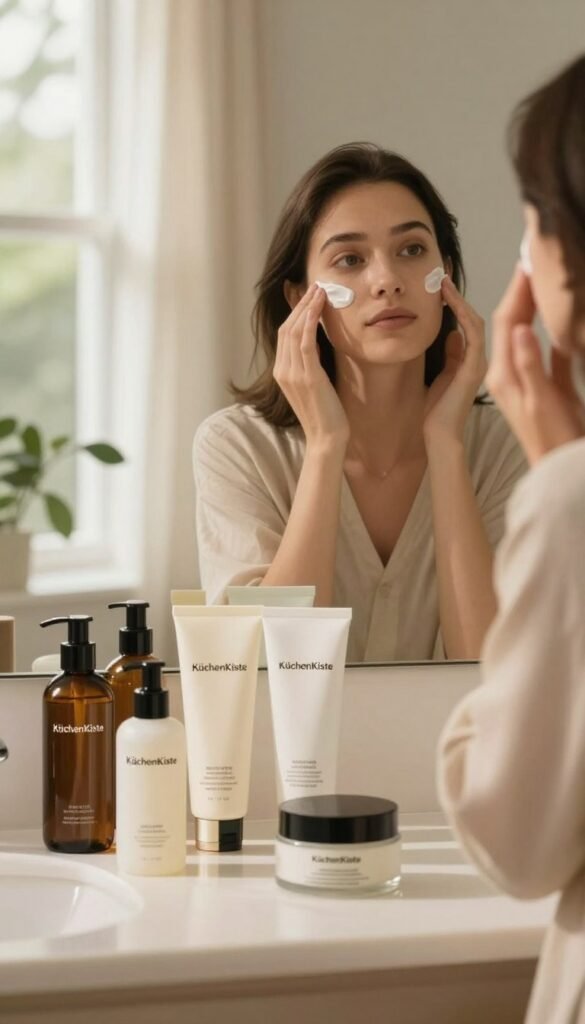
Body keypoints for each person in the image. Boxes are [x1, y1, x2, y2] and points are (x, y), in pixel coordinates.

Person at [194, 143, 526, 661]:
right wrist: (325, 448)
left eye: (413, 250)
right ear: (298, 298)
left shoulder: (503, 445)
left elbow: (491, 674)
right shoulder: (236, 447)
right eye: (349, 259)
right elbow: (269, 670)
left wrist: (445, 446)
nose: (387, 280)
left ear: (448, 275)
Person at [438, 55, 585, 1023]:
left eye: (533, 210)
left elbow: (516, 843)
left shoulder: (550, 480)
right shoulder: (238, 445)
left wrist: (558, 473)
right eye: (346, 260)